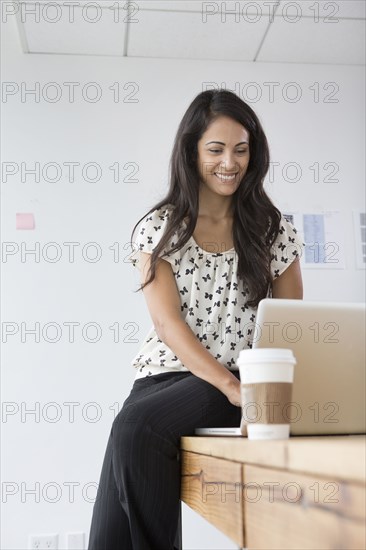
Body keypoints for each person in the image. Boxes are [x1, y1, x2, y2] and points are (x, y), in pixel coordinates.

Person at [87, 89, 304, 550]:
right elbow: (168, 326)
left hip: (236, 376)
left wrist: (242, 388)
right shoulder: (160, 227)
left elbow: (292, 326)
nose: (230, 162)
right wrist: (229, 388)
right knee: (107, 533)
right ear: (191, 151)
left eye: (241, 150)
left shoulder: (273, 229)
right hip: (164, 380)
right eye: (216, 149)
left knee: (136, 426)